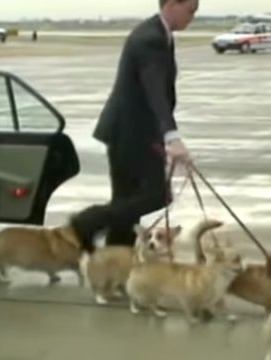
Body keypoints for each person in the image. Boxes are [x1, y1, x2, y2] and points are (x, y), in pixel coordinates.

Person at [70, 0, 199, 253]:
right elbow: (155, 92)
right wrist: (172, 137)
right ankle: (89, 220)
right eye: (190, 10)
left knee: (127, 203)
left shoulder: (159, 34)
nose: (192, 17)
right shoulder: (149, 39)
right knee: (157, 196)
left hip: (131, 131)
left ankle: (117, 262)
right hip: (130, 134)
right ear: (173, 4)